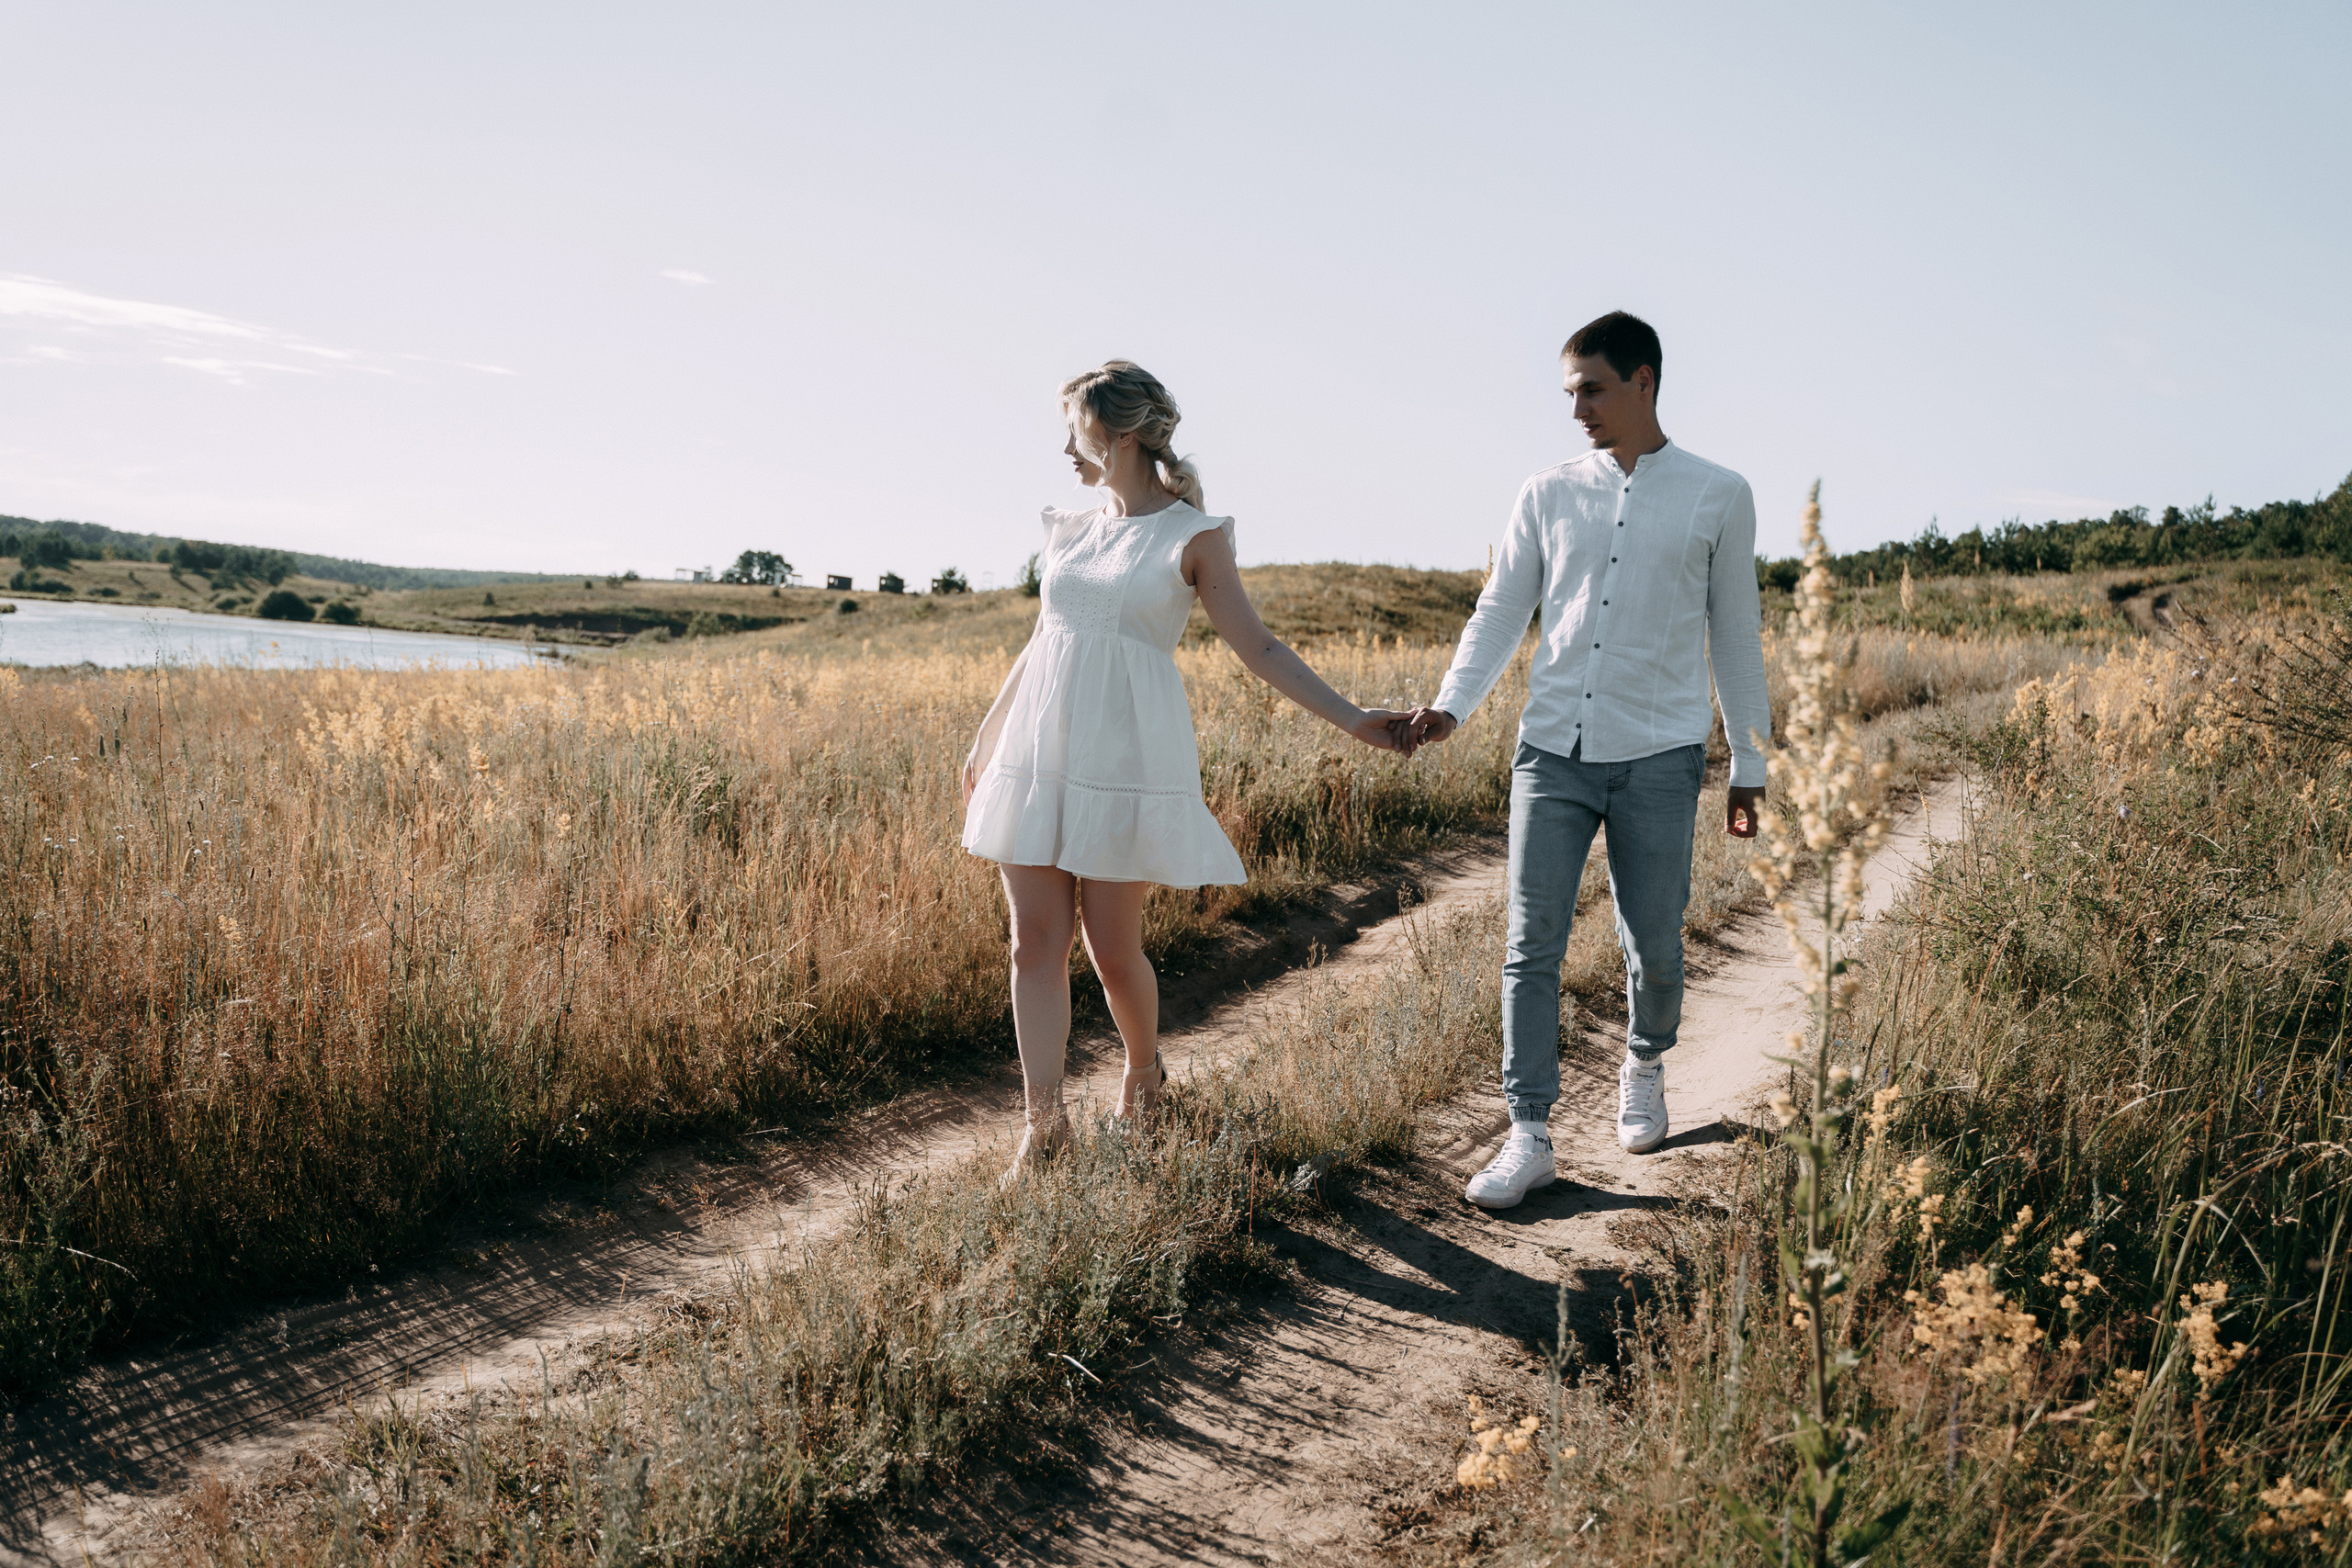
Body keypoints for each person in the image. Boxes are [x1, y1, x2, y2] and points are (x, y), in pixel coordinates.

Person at [964, 360, 1415, 1184]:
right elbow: (1044, 638)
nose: (1065, 449)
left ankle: (1144, 1074)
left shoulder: (1192, 536)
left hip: (1124, 759)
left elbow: (1260, 647)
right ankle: (1045, 1125)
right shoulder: (1069, 527)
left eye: (1074, 430)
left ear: (1119, 435)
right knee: (1033, 942)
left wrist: (1354, 719)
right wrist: (988, 733)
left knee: (1111, 949)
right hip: (1037, 752)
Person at [1406, 311, 1771, 1210]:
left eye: (1592, 390)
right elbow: (1501, 609)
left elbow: (1735, 635)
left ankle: (1644, 1062)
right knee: (1530, 945)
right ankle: (1529, 1132)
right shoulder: (1546, 493)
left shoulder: (1719, 494)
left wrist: (1748, 764)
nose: (1577, 410)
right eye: (1570, 392)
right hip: (1551, 751)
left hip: (1660, 754)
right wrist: (1452, 706)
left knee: (1654, 944)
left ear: (1643, 381)